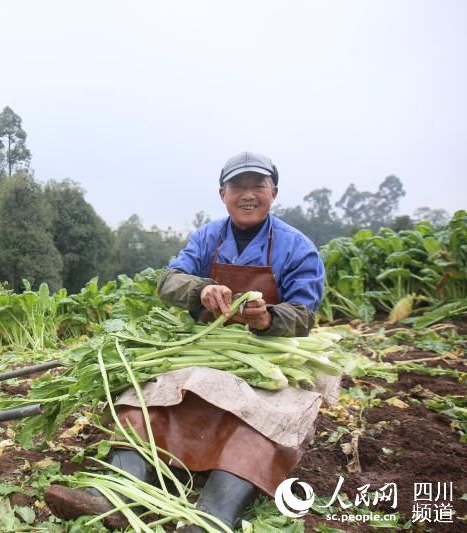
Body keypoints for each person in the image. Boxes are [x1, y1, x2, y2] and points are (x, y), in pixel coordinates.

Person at [45, 151, 327, 531]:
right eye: (237, 186)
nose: (247, 194)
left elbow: (306, 314)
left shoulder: (297, 247)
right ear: (222, 194)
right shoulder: (208, 237)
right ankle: (114, 497)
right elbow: (169, 280)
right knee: (145, 400)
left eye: (257, 185)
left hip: (269, 354)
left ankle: (210, 518)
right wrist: (200, 290)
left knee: (264, 422)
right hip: (208, 350)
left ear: (273, 191)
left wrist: (268, 318)